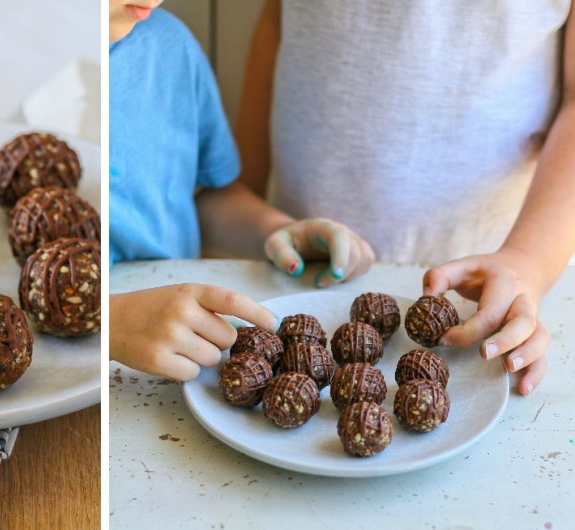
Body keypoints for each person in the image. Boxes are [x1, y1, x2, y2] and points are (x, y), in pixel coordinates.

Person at [235, 1, 575, 395]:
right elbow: (278, 20)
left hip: (479, 283)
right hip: (298, 260)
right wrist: (240, 199)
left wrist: (528, 262)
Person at [108, 1, 374, 381]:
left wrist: (276, 232)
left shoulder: (172, 48)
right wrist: (116, 321)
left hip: (191, 367)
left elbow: (200, 198)